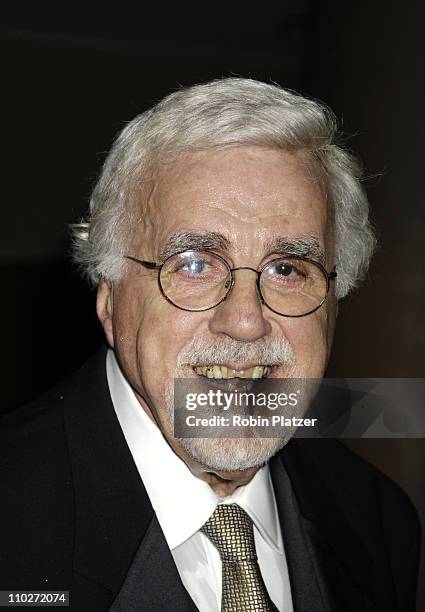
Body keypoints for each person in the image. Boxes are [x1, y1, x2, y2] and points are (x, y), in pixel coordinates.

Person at [0, 78, 420, 611]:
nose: (246, 322)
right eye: (195, 264)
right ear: (108, 296)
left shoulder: (378, 520)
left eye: (289, 268)